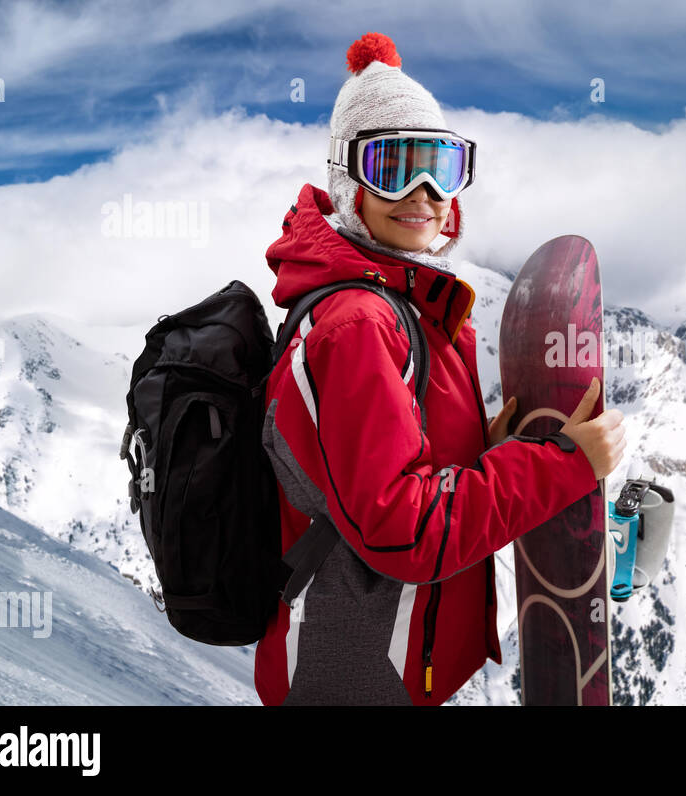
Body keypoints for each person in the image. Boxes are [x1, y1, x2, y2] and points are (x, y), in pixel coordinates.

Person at [254, 32, 626, 705]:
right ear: (348, 179)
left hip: (379, 671)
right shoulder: (359, 326)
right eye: (395, 166)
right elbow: (405, 529)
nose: (424, 192)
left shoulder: (402, 303)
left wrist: (477, 445)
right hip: (351, 683)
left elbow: (376, 471)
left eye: (441, 166)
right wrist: (567, 464)